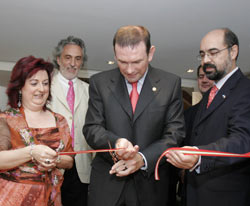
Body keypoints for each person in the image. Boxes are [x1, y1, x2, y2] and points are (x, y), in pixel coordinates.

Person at [83, 25, 185, 206]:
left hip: (151, 187)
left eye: (137, 61)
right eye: (122, 61)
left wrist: (142, 159)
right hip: (108, 185)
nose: (129, 70)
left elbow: (175, 133)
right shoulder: (100, 82)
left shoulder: (170, 84)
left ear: (151, 53)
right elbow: (92, 128)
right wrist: (116, 143)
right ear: (115, 55)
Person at [166, 28, 250, 206]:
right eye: (202, 54)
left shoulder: (245, 90)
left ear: (233, 51)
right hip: (195, 194)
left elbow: (243, 140)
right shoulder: (210, 95)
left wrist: (199, 155)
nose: (205, 61)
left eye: (213, 53)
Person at [0, 56, 74, 206]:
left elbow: (69, 161)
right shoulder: (5, 119)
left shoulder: (60, 121)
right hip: (11, 198)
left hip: (50, 198)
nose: (41, 89)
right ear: (20, 87)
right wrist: (32, 152)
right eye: (34, 83)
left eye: (45, 83)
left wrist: (56, 160)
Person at [48, 36, 92, 206]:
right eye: (68, 57)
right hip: (52, 163)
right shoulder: (45, 86)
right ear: (58, 59)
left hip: (82, 167)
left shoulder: (90, 91)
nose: (73, 63)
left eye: (78, 58)